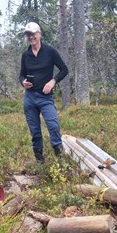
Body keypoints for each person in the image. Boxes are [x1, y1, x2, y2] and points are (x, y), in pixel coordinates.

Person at [19, 22, 69, 164]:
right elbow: (21, 75)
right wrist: (23, 82)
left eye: (33, 34)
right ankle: (40, 162)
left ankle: (60, 161)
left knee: (53, 125)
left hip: (45, 97)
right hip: (30, 98)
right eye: (28, 35)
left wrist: (53, 81)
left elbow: (64, 69)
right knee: (35, 131)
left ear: (39, 34)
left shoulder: (50, 51)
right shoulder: (26, 55)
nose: (31, 37)